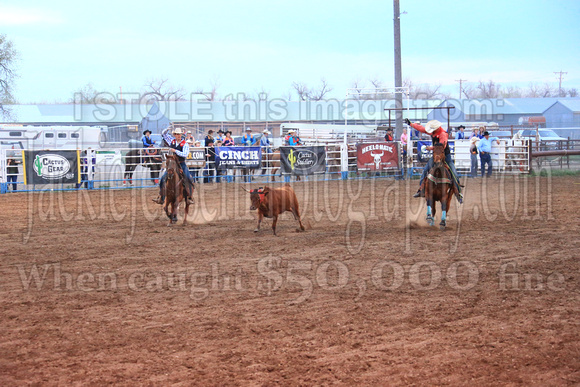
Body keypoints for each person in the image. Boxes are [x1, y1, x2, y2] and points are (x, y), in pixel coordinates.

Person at [405, 119, 462, 203]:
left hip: (446, 156)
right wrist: (411, 124)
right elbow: (421, 128)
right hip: (436, 156)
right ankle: (422, 189)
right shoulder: (433, 132)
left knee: (454, 174)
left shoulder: (443, 134)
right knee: (425, 170)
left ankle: (458, 193)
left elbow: (442, 146)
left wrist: (430, 148)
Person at [153, 127, 195, 204]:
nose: (178, 135)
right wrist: (167, 128)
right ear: (174, 135)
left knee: (188, 178)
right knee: (163, 178)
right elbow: (163, 134)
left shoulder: (185, 144)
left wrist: (175, 151)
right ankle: (161, 197)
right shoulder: (172, 141)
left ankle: (189, 196)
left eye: (179, 134)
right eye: (176, 134)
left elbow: (185, 154)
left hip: (181, 163)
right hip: (172, 164)